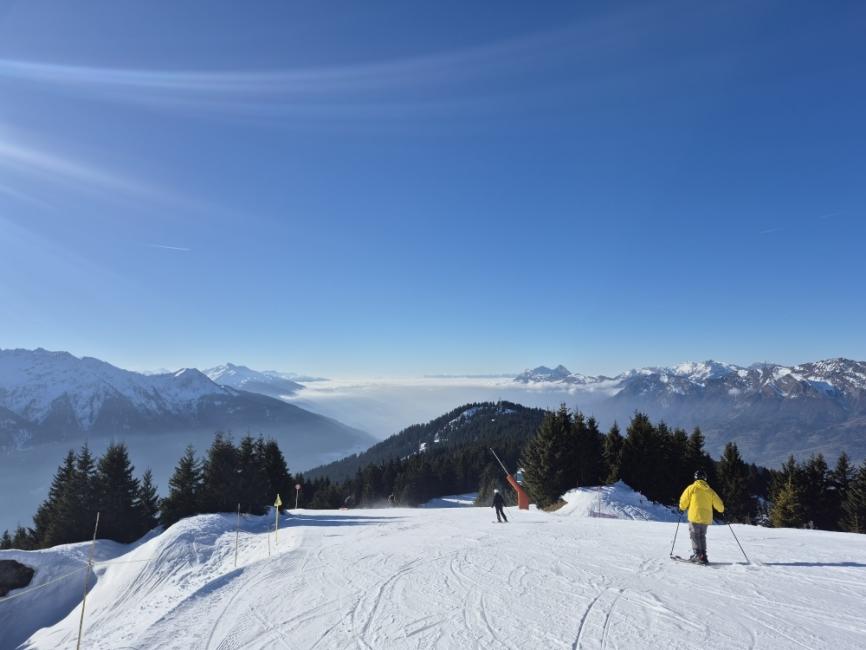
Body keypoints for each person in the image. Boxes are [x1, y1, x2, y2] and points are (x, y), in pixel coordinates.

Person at [679, 469, 724, 564]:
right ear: (705, 478)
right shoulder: (710, 490)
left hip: (694, 516)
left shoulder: (692, 488)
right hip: (706, 518)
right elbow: (719, 504)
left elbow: (684, 500)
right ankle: (703, 555)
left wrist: (682, 507)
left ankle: (697, 555)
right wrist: (721, 510)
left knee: (694, 535)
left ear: (695, 478)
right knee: (702, 536)